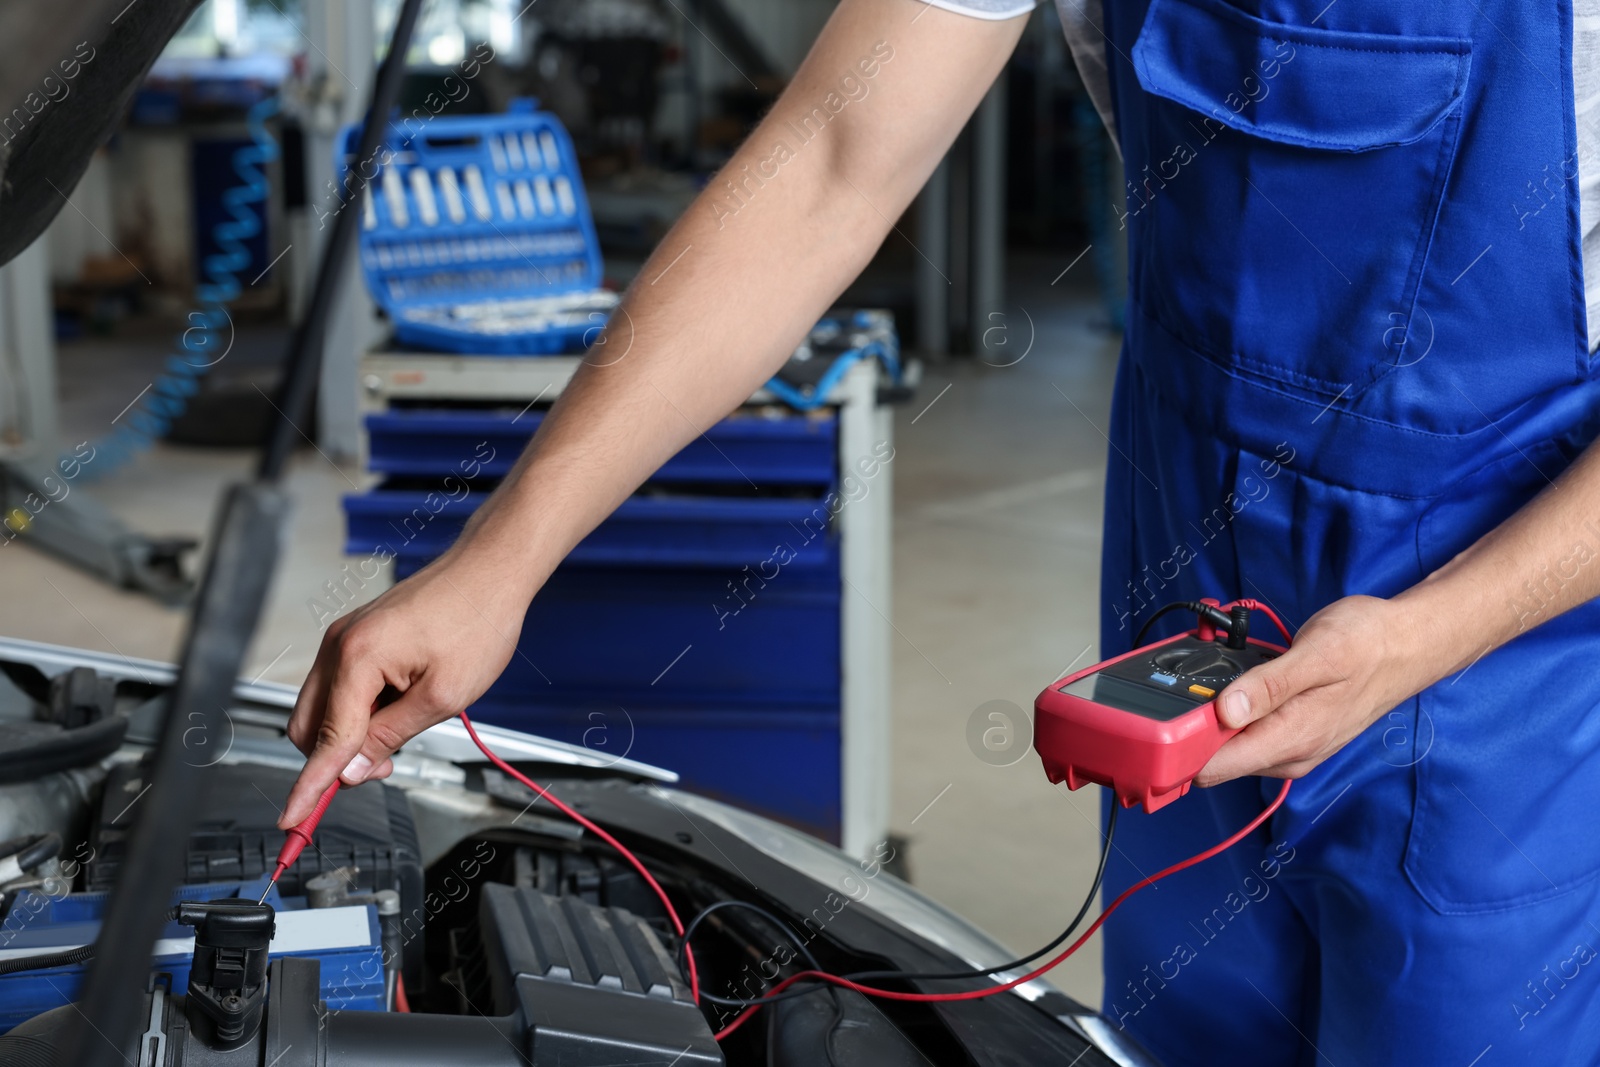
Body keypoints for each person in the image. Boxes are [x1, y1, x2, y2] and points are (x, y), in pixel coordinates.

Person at [281, 0, 1600, 1061]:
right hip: (1195, 571)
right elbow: (829, 164)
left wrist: (1430, 637)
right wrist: (499, 561)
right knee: (1180, 1034)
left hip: (1508, 646)